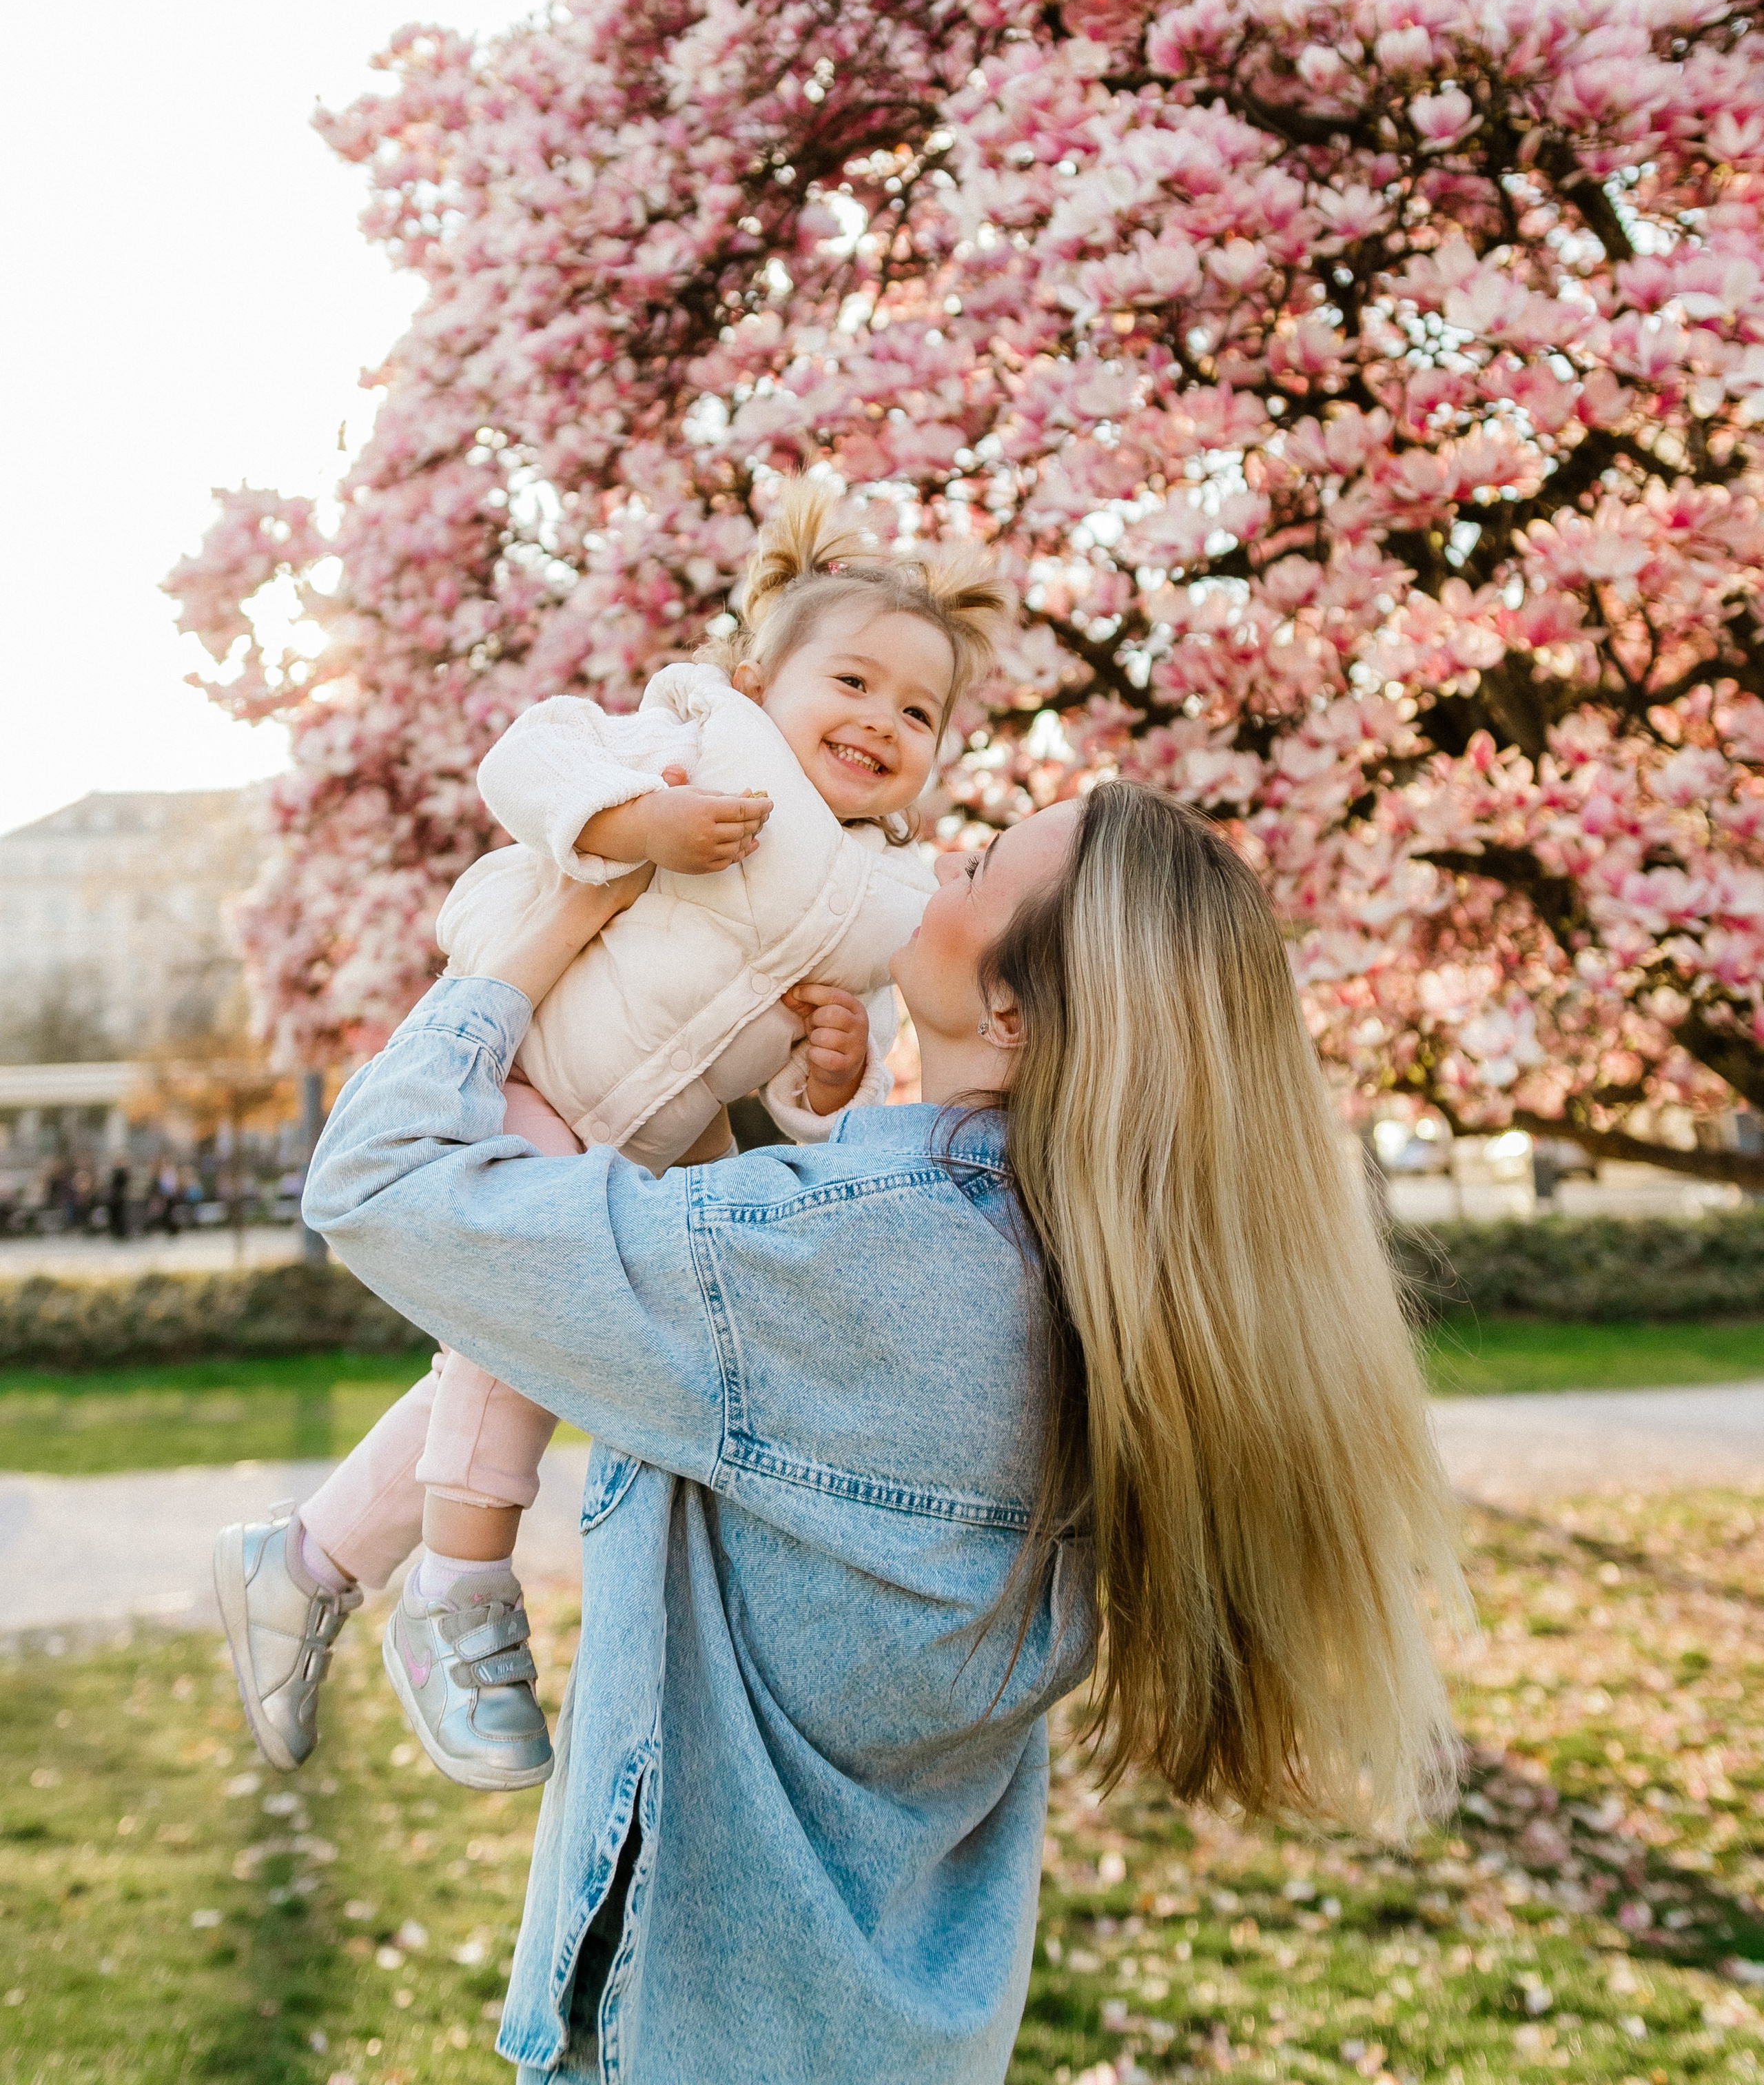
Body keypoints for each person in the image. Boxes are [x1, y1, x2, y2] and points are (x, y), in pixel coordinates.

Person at [287, 778, 1460, 2084]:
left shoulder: (853, 1257)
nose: (944, 857)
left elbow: (379, 1180)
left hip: (690, 2037)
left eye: (984, 868)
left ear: (1010, 1010)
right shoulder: (1100, 1289)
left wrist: (548, 924)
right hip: (913, 2031)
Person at [214, 485, 1006, 1791]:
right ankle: (460, 1590)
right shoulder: (706, 735)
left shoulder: (887, 895)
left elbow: (804, 1100)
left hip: (638, 1146)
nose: (880, 721)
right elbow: (532, 754)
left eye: (917, 712)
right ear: (761, 674)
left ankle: (303, 1563)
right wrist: (633, 821)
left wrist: (832, 1069)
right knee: (529, 1309)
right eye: (852, 681)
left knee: (516, 1349)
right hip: (530, 1066)